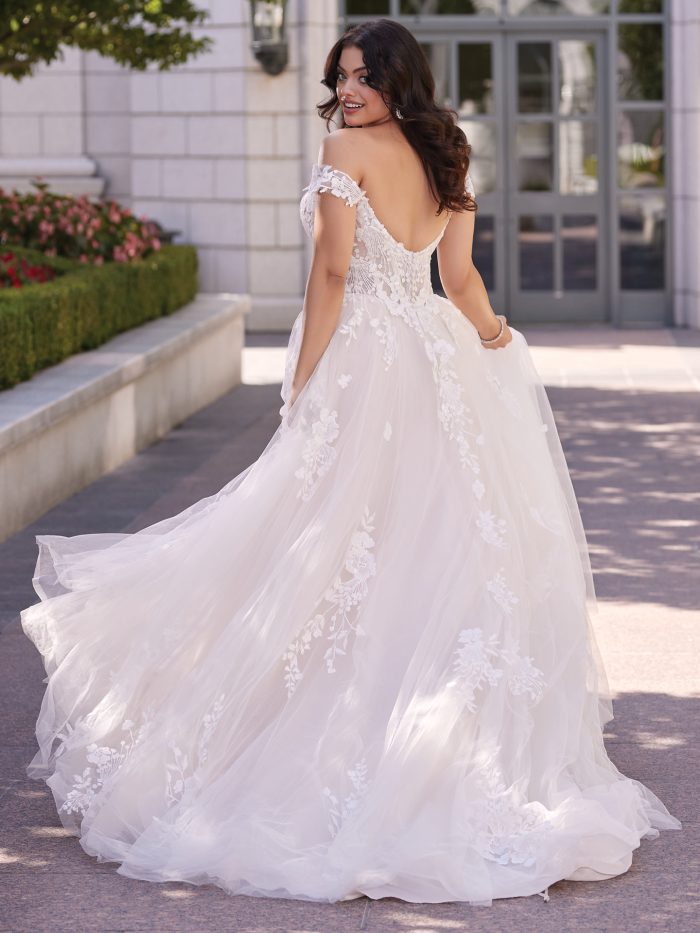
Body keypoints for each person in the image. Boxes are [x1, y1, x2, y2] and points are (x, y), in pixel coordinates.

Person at [20, 18, 680, 909]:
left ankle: (365, 738)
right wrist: (487, 339)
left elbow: (331, 274)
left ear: (399, 75)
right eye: (344, 75)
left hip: (367, 356)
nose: (352, 88)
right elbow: (458, 279)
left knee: (335, 533)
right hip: (435, 356)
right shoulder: (448, 153)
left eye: (365, 74)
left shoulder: (345, 148)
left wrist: (303, 386)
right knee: (413, 537)